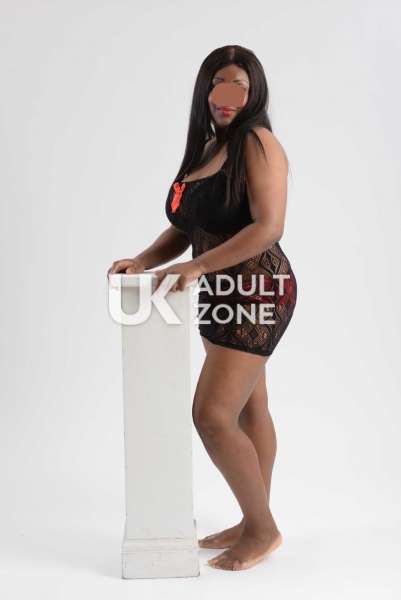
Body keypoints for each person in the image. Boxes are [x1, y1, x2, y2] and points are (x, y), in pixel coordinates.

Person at [107, 44, 297, 571]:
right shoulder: (210, 148)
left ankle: (262, 529)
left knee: (212, 416)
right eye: (218, 85)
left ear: (254, 93)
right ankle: (253, 518)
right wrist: (145, 260)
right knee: (249, 408)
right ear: (205, 92)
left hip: (257, 290)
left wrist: (198, 266)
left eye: (240, 86)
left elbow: (269, 226)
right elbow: (186, 227)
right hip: (220, 291)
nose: (228, 97)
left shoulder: (257, 143)